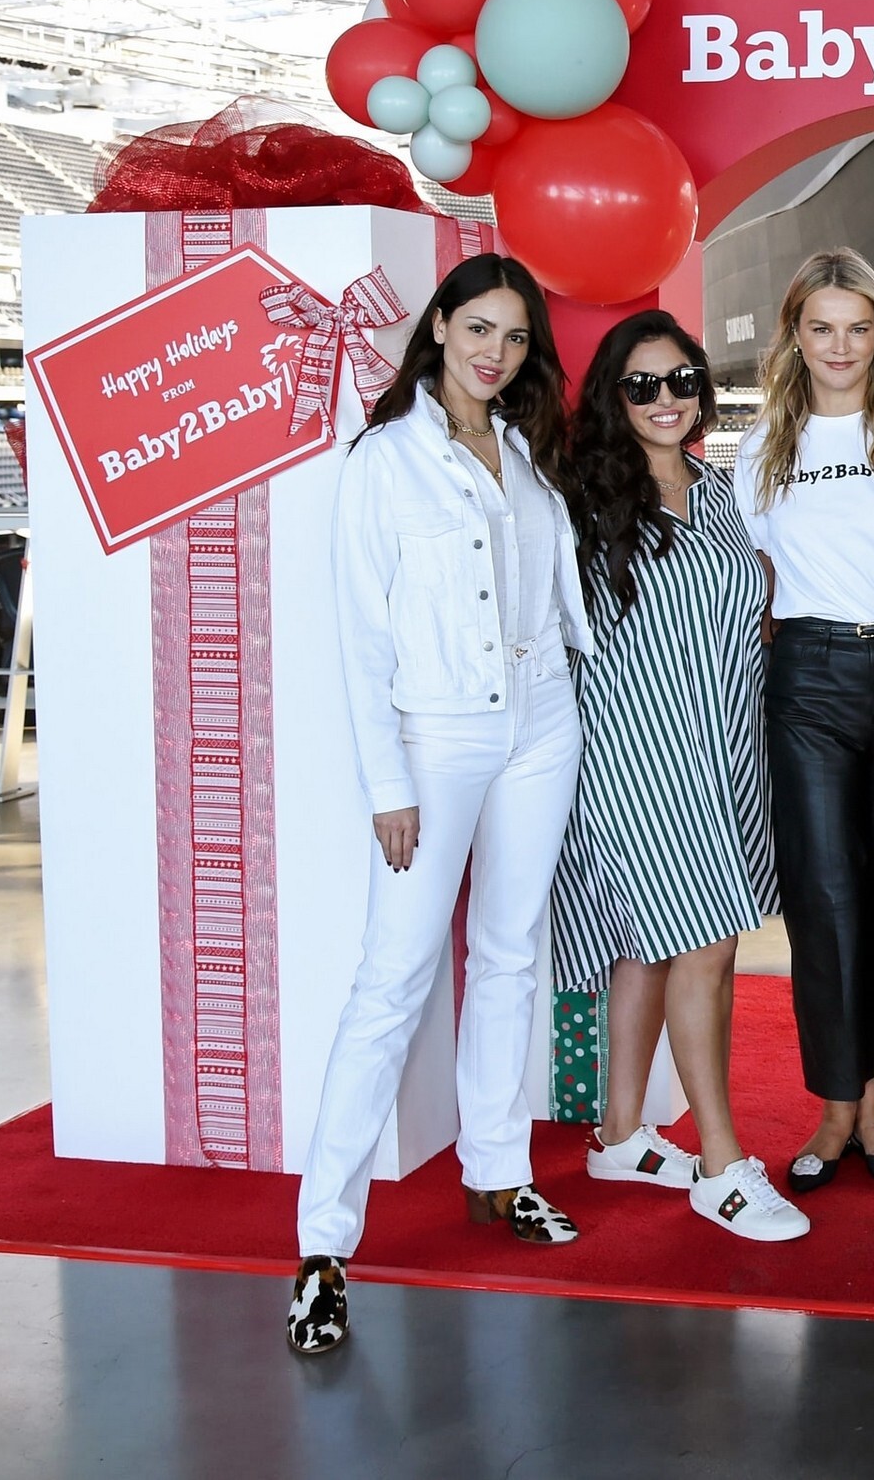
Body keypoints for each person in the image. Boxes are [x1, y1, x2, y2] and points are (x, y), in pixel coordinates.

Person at [290, 254, 593, 1356]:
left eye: (514, 337)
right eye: (478, 329)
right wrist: (387, 784)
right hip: (437, 739)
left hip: (542, 721)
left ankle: (497, 1172)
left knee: (511, 953)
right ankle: (323, 1245)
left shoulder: (527, 449)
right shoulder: (383, 459)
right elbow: (359, 635)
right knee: (394, 979)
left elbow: (549, 595)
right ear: (439, 330)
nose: (494, 353)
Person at [549, 309, 807, 1242]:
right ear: (612, 398)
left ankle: (619, 1133)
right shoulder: (580, 499)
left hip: (723, 751)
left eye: (682, 380)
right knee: (704, 947)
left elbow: (750, 601)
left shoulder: (719, 488)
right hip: (634, 757)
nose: (667, 399)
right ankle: (723, 1166)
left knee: (651, 948)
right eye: (643, 385)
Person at [731, 249, 874, 1193]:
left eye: (858, 328)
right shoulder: (765, 443)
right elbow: (755, 576)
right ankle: (834, 1105)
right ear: (795, 336)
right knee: (821, 898)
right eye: (822, 328)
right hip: (805, 677)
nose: (840, 346)